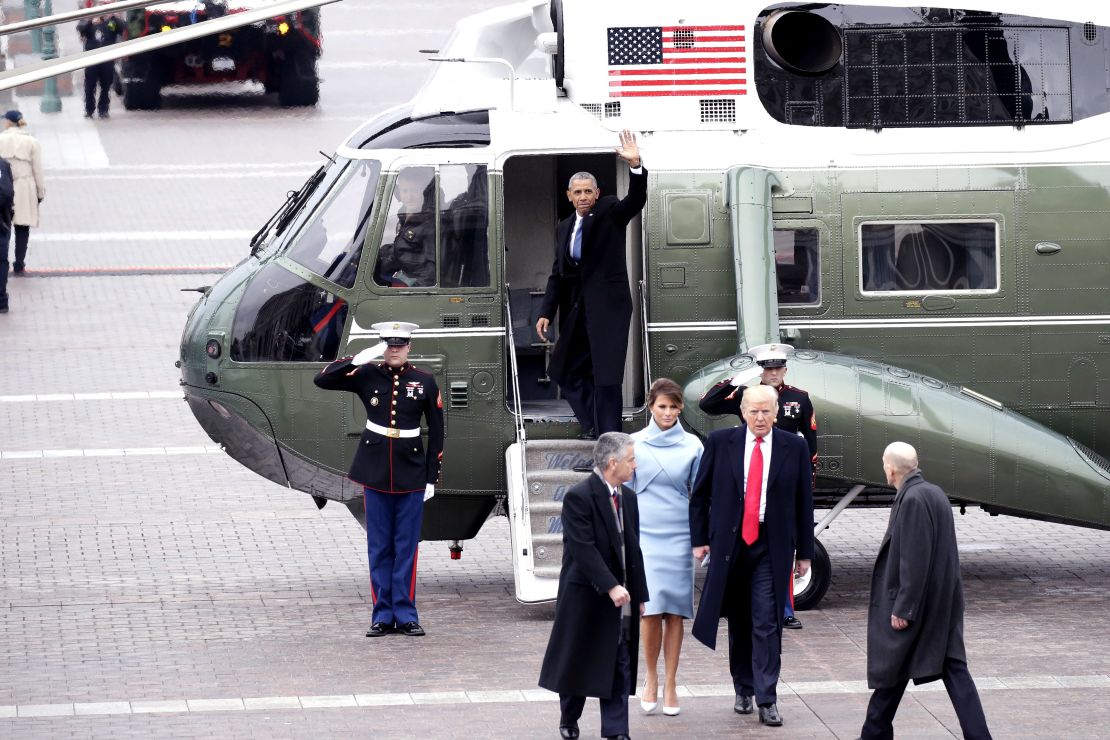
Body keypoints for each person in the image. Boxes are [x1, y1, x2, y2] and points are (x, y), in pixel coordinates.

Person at [689, 384, 814, 728]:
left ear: (776, 413)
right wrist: (699, 539)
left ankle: (767, 697)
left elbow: (804, 500)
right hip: (730, 545)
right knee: (740, 620)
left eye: (766, 411)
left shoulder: (794, 446)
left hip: (770, 545)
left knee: (766, 619)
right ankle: (743, 687)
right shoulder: (720, 443)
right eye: (754, 411)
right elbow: (700, 496)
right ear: (742, 412)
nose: (760, 418)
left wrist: (805, 551)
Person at [313, 321, 444, 637]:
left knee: (406, 547)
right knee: (379, 548)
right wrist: (359, 358)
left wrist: (431, 478)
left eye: (399, 345)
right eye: (389, 345)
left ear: (409, 347)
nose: (394, 350)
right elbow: (323, 379)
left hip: (411, 473)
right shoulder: (368, 374)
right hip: (374, 473)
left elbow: (438, 432)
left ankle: (407, 613)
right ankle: (382, 615)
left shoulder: (424, 381)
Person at [858, 442, 992, 740]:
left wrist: (904, 608)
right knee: (946, 671)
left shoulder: (914, 500)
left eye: (884, 463)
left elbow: (914, 559)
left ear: (890, 468)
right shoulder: (933, 493)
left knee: (894, 667)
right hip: (942, 603)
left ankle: (873, 733)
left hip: (922, 606)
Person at [535, 130, 648, 439]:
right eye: (578, 192)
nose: (583, 197)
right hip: (577, 309)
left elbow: (635, 200)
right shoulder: (563, 228)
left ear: (597, 194)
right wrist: (546, 311)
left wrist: (635, 165)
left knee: (606, 378)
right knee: (564, 371)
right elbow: (558, 273)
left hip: (609, 309)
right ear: (569, 196)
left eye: (588, 191)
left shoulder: (610, 212)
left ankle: (609, 440)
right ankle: (593, 427)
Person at [539, 432, 649, 740]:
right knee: (579, 659)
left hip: (621, 596)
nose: (635, 465)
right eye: (631, 459)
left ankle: (616, 730)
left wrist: (639, 593)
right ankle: (569, 717)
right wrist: (611, 586)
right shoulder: (579, 496)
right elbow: (582, 549)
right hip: (586, 595)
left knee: (619, 660)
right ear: (613, 463)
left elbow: (633, 548)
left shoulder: (628, 497)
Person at [699, 342, 817, 629]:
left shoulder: (798, 398)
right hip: (751, 474)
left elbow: (810, 444)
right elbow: (708, 403)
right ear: (760, 370)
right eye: (767, 368)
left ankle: (786, 610)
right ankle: (740, 604)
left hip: (782, 480)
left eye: (777, 368)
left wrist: (807, 482)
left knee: (783, 547)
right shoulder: (744, 395)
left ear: (785, 370)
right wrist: (737, 379)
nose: (773, 373)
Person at [630, 378, 702, 717]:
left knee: (675, 611)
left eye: (674, 407)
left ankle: (672, 682)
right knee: (650, 609)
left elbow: (702, 497)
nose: (668, 412)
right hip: (645, 535)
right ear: (650, 406)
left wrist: (703, 540)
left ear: (681, 408)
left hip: (680, 534)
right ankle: (651, 678)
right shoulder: (632, 443)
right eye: (662, 406)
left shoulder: (694, 446)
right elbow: (623, 495)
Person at [0, 111, 45, 278]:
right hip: (25, 186)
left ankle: (2, 259)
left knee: (2, 225)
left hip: (3, 187)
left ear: (8, 122)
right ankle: (19, 263)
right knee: (22, 226)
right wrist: (40, 192)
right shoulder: (31, 142)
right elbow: (38, 170)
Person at [376, 168, 436, 287]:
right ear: (399, 193)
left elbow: (432, 271)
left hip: (413, 288)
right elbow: (405, 249)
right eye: (405, 191)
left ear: (425, 192)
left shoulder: (430, 225)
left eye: (415, 190)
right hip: (401, 274)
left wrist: (410, 291)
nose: (410, 196)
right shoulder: (405, 216)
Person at [76, 12, 123, 119]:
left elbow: (122, 27)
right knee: (89, 86)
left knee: (106, 86)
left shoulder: (111, 23)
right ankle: (89, 110)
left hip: (106, 60)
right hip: (92, 60)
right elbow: (81, 28)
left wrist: (113, 17)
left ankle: (103, 109)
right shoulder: (90, 22)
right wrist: (91, 21)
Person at [0, 157, 14, 314]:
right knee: (2, 260)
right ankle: (1, 300)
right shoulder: (2, 165)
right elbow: (8, 192)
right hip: (2, 221)